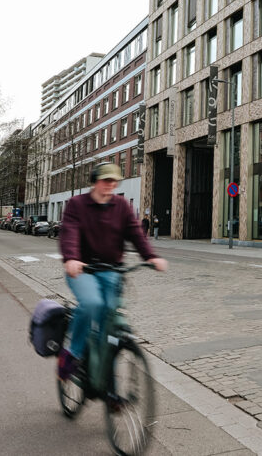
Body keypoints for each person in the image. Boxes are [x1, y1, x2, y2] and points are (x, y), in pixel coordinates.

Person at [58, 162, 167, 380]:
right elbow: (69, 232)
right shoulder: (77, 204)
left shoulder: (121, 205)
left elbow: (135, 233)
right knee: (92, 303)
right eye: (106, 180)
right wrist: (71, 258)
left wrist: (151, 256)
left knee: (111, 317)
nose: (111, 184)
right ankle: (72, 354)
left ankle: (105, 376)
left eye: (114, 181)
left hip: (111, 270)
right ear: (95, 181)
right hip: (83, 270)